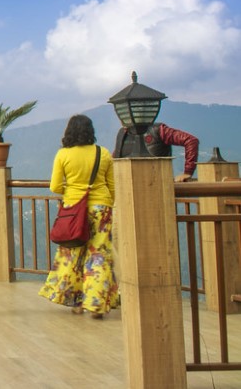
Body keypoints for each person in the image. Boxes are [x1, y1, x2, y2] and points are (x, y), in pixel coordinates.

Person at [39, 114, 119, 319]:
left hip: (73, 210)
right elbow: (112, 187)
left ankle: (77, 302)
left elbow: (55, 186)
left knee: (72, 256)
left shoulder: (63, 155)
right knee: (99, 256)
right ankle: (96, 303)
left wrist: (73, 191)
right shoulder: (103, 153)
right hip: (102, 208)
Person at [113, 122, 200, 182]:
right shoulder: (123, 134)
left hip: (159, 190)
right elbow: (114, 159)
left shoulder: (158, 130)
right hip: (126, 194)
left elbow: (190, 140)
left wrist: (187, 172)